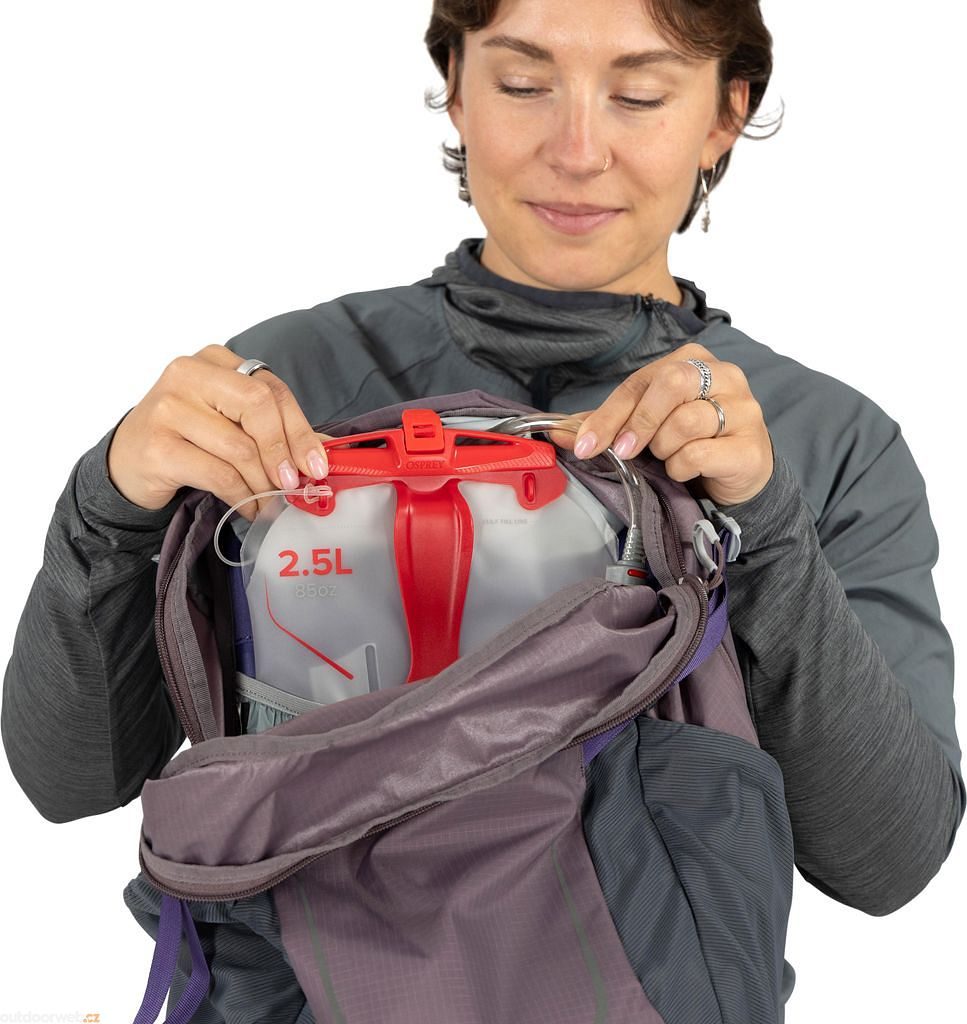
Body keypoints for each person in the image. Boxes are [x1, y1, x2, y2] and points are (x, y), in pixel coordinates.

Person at [1, 0, 962, 1019]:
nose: (577, 151)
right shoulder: (281, 390)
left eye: (639, 94)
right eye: (522, 84)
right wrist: (110, 505)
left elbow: (886, 858)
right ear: (454, 88)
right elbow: (73, 780)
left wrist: (763, 527)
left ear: (725, 114)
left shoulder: (816, 440)